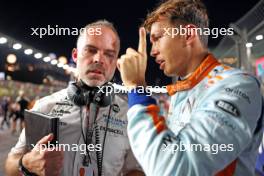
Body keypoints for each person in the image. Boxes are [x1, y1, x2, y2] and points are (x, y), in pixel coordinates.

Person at [117, 0, 263, 175]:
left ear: (188, 35)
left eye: (157, 38)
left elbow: (175, 169)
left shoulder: (236, 85)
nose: (152, 51)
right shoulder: (184, 89)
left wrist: (137, 89)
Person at [5, 20, 143, 176]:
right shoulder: (45, 107)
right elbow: (10, 165)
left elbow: (136, 170)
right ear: (75, 55)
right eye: (91, 50)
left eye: (109, 54)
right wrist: (27, 163)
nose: (99, 59)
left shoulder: (130, 115)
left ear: (116, 61)